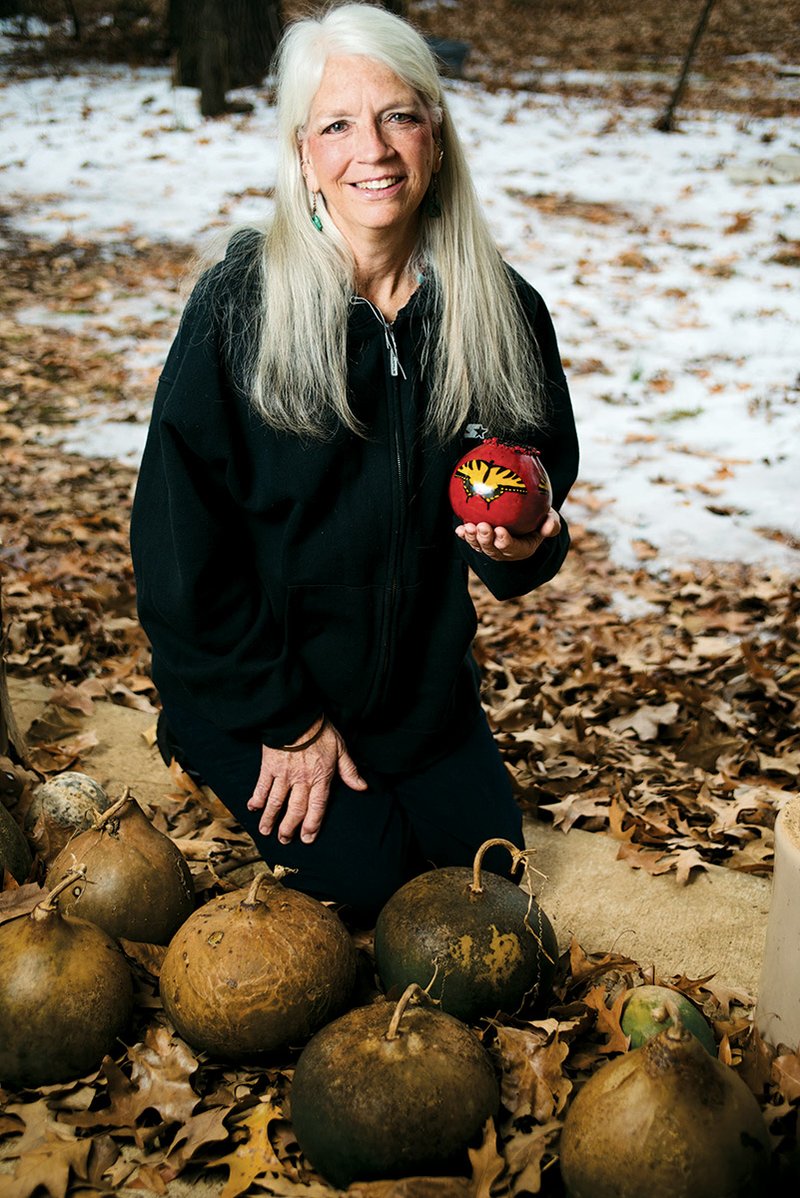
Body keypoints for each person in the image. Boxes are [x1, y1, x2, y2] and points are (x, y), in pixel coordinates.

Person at [130, 1, 579, 924]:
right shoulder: (239, 308)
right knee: (370, 889)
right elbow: (179, 551)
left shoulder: (498, 310)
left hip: (416, 696)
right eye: (338, 124)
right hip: (256, 682)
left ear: (437, 137)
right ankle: (207, 735)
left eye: (398, 116)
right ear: (304, 154)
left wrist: (527, 544)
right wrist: (282, 721)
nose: (372, 150)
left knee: (484, 879)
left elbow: (528, 498)